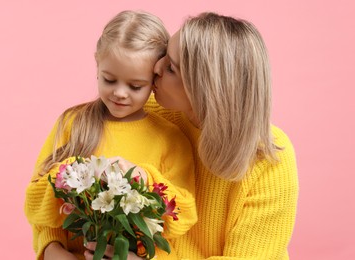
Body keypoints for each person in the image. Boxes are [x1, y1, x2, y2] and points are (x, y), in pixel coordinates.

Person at [114, 12, 298, 259]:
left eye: (171, 68)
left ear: (204, 88)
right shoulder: (149, 113)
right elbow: (65, 174)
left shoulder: (269, 160)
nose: (155, 68)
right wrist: (53, 248)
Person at [24, 10, 197, 260]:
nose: (120, 93)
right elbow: (34, 202)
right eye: (109, 79)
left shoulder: (170, 138)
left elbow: (182, 216)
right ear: (97, 66)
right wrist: (52, 247)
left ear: (155, 80)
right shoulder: (73, 123)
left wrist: (143, 179)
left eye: (135, 86)